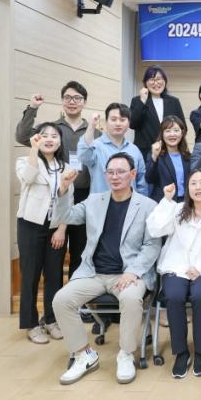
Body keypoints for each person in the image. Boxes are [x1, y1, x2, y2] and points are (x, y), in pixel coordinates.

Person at [52, 152, 161, 385]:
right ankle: (84, 354)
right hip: (93, 272)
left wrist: (133, 271)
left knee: (131, 298)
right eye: (110, 172)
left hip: (129, 273)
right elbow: (64, 216)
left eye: (121, 172)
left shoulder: (148, 206)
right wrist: (63, 190)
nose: (115, 176)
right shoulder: (94, 201)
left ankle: (126, 354)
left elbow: (152, 245)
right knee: (61, 300)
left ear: (133, 174)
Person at [146, 169, 201, 378]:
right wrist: (167, 201)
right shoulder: (177, 209)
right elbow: (155, 228)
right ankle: (182, 352)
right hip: (177, 267)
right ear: (187, 188)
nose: (198, 187)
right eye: (193, 183)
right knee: (174, 296)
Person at [15, 81, 101, 279]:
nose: (72, 102)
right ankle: (55, 295)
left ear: (84, 102)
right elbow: (21, 136)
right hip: (54, 197)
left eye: (77, 98)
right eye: (68, 97)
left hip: (84, 197)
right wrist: (32, 108)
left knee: (80, 249)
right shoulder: (52, 130)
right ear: (62, 101)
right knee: (56, 250)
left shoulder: (95, 132)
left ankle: (76, 294)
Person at [15, 123, 74, 344]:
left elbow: (68, 201)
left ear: (60, 141)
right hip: (30, 225)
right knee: (30, 275)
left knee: (54, 274)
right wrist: (33, 148)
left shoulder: (66, 167)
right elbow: (28, 178)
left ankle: (51, 320)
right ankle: (31, 324)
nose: (49, 139)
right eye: (44, 135)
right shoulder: (25, 161)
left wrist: (62, 229)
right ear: (37, 139)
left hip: (56, 227)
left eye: (54, 136)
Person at [79, 103, 147, 196]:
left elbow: (142, 182)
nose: (118, 123)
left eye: (122, 120)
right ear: (106, 122)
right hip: (101, 203)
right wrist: (91, 126)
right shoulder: (95, 146)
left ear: (128, 123)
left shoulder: (134, 150)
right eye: (113, 119)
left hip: (130, 203)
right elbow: (84, 157)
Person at [130, 65, 186, 159]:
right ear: (145, 83)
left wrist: (172, 142)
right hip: (145, 153)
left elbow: (183, 127)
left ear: (165, 81)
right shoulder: (137, 100)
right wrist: (142, 101)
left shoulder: (174, 101)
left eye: (159, 79)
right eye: (152, 79)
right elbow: (132, 124)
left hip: (169, 152)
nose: (156, 83)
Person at [145, 116, 191, 203]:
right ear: (162, 134)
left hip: (184, 203)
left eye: (176, 130)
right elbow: (149, 178)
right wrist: (154, 157)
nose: (172, 134)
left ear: (182, 133)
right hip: (163, 202)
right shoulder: (155, 154)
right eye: (168, 131)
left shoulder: (187, 156)